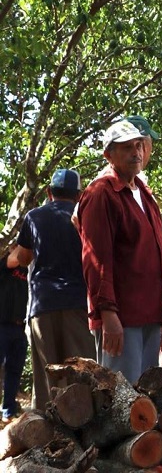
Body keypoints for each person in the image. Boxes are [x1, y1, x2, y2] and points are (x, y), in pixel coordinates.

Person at [77, 120, 162, 384]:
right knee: (122, 396)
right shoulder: (101, 193)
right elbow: (96, 260)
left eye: (138, 145)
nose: (136, 152)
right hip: (122, 317)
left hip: (150, 313)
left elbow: (155, 257)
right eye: (127, 147)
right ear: (108, 155)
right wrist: (107, 314)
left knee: (146, 396)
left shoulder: (143, 192)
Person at [15, 169, 95, 410]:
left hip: (43, 305)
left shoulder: (34, 217)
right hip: (78, 304)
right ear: (79, 195)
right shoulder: (86, 217)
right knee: (82, 375)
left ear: (49, 192)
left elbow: (22, 258)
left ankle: (45, 429)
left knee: (47, 378)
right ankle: (84, 427)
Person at [0, 242, 28, 423]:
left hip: (20, 328)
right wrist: (24, 242)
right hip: (2, 325)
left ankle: (8, 412)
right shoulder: (5, 265)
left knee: (14, 370)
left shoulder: (28, 271)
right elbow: (13, 259)